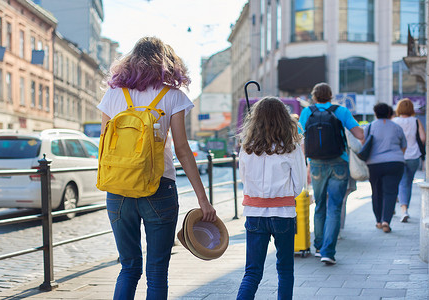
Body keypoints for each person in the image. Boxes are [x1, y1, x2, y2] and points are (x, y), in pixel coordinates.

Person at [97, 36, 216, 300]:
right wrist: (203, 200)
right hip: (159, 187)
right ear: (167, 62)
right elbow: (183, 150)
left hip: (118, 189)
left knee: (128, 267)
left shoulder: (113, 94)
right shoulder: (173, 95)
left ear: (130, 60)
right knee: (157, 271)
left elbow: (104, 145)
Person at [237, 97, 306, 300]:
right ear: (284, 119)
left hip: (254, 213)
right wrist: (283, 196)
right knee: (285, 270)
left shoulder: (246, 147)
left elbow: (244, 179)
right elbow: (299, 184)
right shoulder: (291, 147)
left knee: (252, 271)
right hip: (283, 213)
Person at [298, 83, 364, 265]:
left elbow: (298, 138)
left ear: (314, 97)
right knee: (334, 207)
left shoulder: (307, 112)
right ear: (330, 96)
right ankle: (328, 251)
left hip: (316, 163)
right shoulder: (341, 111)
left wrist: (306, 164)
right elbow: (359, 134)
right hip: (339, 162)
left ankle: (318, 246)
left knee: (319, 206)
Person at [366, 103, 406, 233]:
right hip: (395, 162)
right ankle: (386, 221)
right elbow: (404, 145)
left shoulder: (370, 126)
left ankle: (378, 220)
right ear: (389, 114)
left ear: (375, 113)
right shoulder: (397, 127)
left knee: (376, 192)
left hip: (374, 164)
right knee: (391, 192)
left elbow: (364, 143)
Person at [392, 98, 424, 223]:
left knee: (399, 182)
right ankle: (404, 209)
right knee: (407, 183)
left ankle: (401, 208)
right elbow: (422, 138)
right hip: (414, 156)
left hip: (398, 156)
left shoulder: (394, 121)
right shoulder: (416, 121)